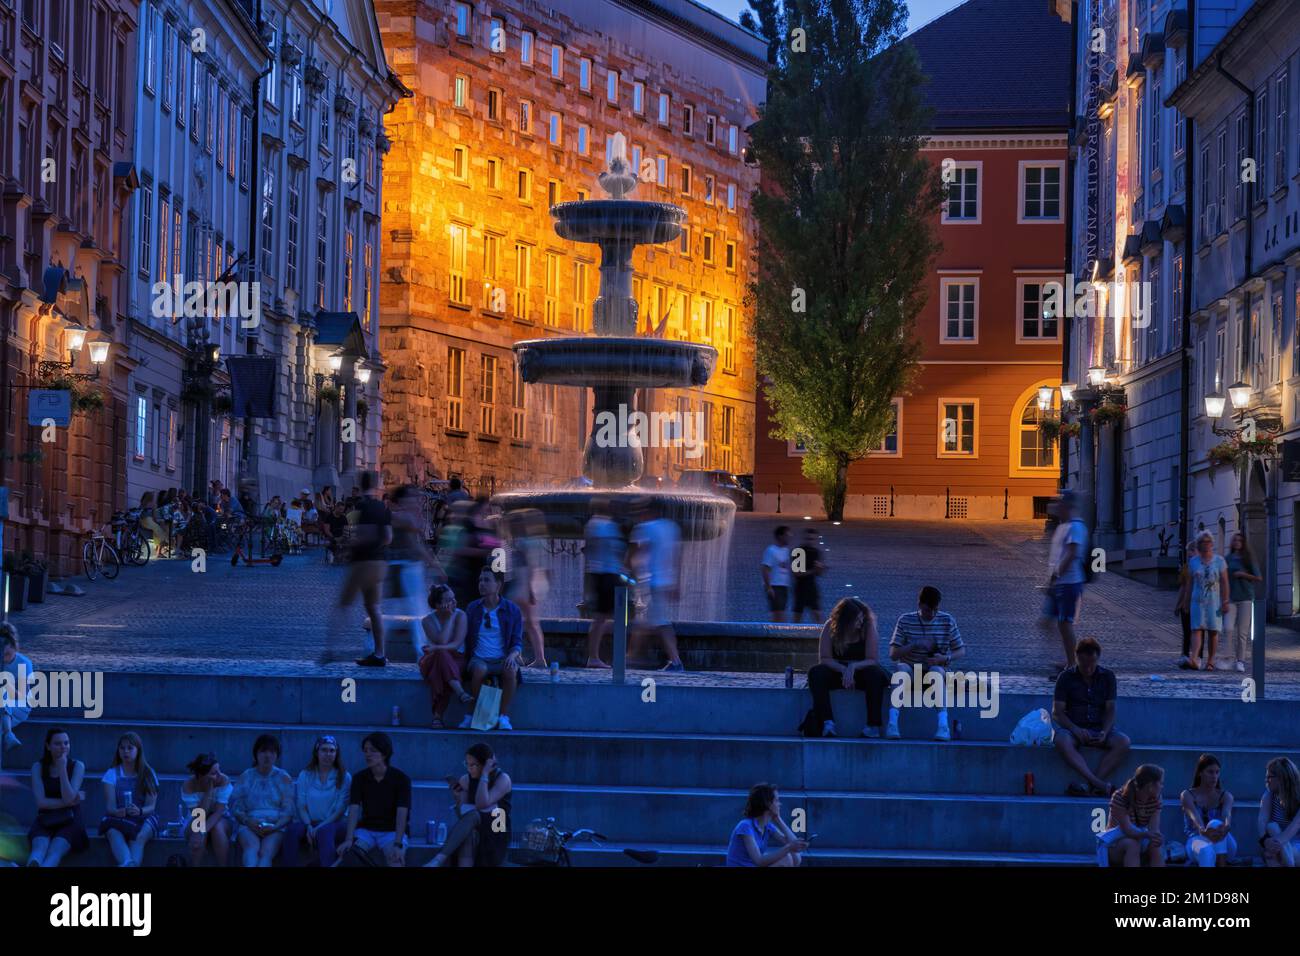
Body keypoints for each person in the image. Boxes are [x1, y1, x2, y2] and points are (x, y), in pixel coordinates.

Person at [1052, 637, 1131, 797]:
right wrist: (1074, 728)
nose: (1088, 669)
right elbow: (1057, 712)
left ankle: (1089, 785)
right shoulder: (1066, 678)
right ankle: (1099, 784)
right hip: (1074, 728)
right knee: (1061, 739)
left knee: (1123, 741)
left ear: (1098, 659)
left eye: (1092, 664)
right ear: (1077, 659)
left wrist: (1104, 731)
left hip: (1098, 728)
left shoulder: (1107, 676)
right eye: (1084, 665)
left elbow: (1110, 709)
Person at [886, 585, 965, 741]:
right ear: (920, 605)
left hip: (936, 670)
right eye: (929, 610)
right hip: (910, 670)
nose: (932, 614)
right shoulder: (905, 620)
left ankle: (943, 726)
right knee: (901, 670)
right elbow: (893, 654)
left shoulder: (947, 620)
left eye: (935, 609)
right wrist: (915, 644)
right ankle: (892, 724)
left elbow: (961, 650)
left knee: (936, 672)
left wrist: (944, 658)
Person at [330, 470, 393, 666]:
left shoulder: (363, 506)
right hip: (379, 562)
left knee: (343, 605)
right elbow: (388, 538)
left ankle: (331, 650)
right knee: (374, 609)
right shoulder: (382, 507)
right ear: (376, 484)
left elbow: (363, 535)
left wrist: (348, 548)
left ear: (359, 484)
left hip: (362, 563)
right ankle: (380, 653)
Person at [807, 597, 892, 737]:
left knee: (875, 674)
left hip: (863, 670)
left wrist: (853, 667)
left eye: (861, 618)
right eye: (856, 619)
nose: (860, 622)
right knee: (816, 672)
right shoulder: (830, 626)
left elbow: (872, 659)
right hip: (837, 671)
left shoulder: (867, 626)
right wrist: (843, 669)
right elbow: (825, 658)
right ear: (845, 620)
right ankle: (828, 723)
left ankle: (873, 725)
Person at [425, 743, 513, 867]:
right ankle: (438, 860)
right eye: (467, 764)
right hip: (476, 826)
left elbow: (482, 803)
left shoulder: (503, 779)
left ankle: (439, 859)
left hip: (497, 827)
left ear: (485, 765)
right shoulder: (465, 780)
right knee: (468, 832)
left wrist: (484, 775)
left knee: (475, 814)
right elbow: (462, 815)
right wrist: (457, 799)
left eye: (473, 765)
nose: (469, 768)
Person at [458, 568, 523, 731]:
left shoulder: (512, 610)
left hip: (501, 658)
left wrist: (512, 656)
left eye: (487, 580)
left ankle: (502, 716)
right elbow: (462, 635)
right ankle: (473, 713)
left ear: (498, 585)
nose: (482, 584)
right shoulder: (473, 608)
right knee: (479, 669)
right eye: (480, 580)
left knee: (511, 670)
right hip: (479, 658)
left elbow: (517, 641)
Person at [337, 732, 411, 867]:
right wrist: (348, 839)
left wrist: (398, 843)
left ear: (384, 753)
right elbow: (354, 809)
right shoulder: (359, 778)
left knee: (395, 861)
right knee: (348, 858)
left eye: (373, 750)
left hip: (392, 832)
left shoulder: (401, 779)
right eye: (365, 751)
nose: (368, 754)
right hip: (366, 830)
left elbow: (402, 812)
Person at [627, 497, 683, 671]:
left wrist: (627, 568)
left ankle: (676, 661)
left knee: (660, 623)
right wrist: (677, 583)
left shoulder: (645, 528)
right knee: (645, 620)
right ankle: (632, 656)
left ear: (648, 512)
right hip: (666, 581)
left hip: (651, 582)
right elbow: (677, 557)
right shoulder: (672, 528)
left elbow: (639, 551)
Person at [282, 735, 352, 867]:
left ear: (337, 753)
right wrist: (309, 825)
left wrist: (319, 828)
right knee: (291, 830)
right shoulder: (305, 774)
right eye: (324, 750)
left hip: (335, 824)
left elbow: (340, 809)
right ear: (317, 752)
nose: (328, 754)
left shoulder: (344, 776)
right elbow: (301, 804)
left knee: (324, 831)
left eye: (332, 751)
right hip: (309, 822)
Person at [387, 485, 439, 660]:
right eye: (412, 496)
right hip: (404, 566)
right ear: (402, 500)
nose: (416, 499)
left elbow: (418, 543)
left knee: (404, 609)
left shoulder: (401, 515)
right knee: (417, 610)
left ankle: (375, 646)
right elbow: (417, 529)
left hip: (406, 565)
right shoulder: (399, 515)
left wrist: (433, 563)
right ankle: (421, 651)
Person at [229, 734, 295, 867]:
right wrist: (249, 821)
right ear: (256, 754)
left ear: (277, 755)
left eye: (272, 752)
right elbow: (237, 807)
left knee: (265, 853)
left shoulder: (283, 777)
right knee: (251, 849)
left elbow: (288, 811)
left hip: (276, 825)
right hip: (249, 823)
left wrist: (275, 826)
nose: (267, 755)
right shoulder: (246, 776)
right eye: (263, 751)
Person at [26, 727, 88, 867]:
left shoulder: (78, 766)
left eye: (66, 743)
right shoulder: (37, 767)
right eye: (58, 743)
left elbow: (67, 798)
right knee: (39, 849)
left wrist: (62, 769)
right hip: (46, 817)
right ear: (48, 746)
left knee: (55, 851)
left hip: (70, 818)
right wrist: (72, 801)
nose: (63, 747)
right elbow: (42, 803)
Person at [99, 732, 160, 867]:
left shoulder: (148, 773)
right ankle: (128, 863)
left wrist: (139, 811)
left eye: (130, 748)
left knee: (138, 837)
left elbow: (151, 807)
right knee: (112, 832)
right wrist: (117, 812)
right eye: (122, 748)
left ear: (138, 750)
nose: (125, 751)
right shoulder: (111, 774)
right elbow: (110, 807)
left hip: (144, 816)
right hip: (120, 818)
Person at [1046, 490, 1089, 678]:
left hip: (1070, 581)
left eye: (1061, 505)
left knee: (1065, 623)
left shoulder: (1076, 527)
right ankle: (1070, 660)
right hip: (1064, 581)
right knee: (1059, 623)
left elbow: (1071, 554)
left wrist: (1056, 575)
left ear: (1068, 507)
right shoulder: (1067, 526)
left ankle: (1073, 665)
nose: (1057, 508)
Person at [419, 584, 473, 729]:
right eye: (449, 600)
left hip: (457, 659)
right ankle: (460, 691)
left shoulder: (461, 615)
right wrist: (449, 618)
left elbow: (455, 645)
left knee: (441, 663)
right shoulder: (427, 621)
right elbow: (441, 641)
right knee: (441, 656)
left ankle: (437, 716)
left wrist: (436, 648)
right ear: (438, 604)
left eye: (454, 598)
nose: (454, 603)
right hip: (432, 660)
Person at [582, 498, 627, 668]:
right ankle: (594, 657)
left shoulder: (594, 524)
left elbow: (590, 549)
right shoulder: (602, 525)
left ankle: (598, 655)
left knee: (607, 617)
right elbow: (600, 547)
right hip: (606, 575)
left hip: (604, 574)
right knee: (602, 618)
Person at [1176, 530, 1229, 671]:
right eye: (1202, 542)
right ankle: (1194, 658)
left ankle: (1210, 661)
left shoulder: (1219, 561)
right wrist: (1185, 602)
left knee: (1213, 631)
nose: (1205, 545)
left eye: (1208, 542)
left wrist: (1225, 601)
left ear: (1212, 544)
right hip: (1197, 601)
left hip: (1214, 602)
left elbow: (1224, 582)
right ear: (1198, 545)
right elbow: (1189, 584)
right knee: (1196, 629)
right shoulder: (1193, 562)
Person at [505, 509, 550, 668]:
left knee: (520, 621)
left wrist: (531, 590)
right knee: (529, 622)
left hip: (524, 584)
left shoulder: (524, 541)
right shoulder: (524, 540)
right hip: (523, 583)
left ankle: (531, 657)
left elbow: (531, 565)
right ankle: (535, 657)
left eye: (513, 523)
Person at [1097, 764, 1165, 867]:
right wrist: (1148, 835)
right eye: (1160, 783)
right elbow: (1127, 830)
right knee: (1132, 844)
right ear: (1150, 786)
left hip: (1139, 840)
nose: (1162, 786)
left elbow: (1153, 829)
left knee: (1155, 846)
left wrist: (1157, 837)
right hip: (1115, 844)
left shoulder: (1156, 799)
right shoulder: (1120, 796)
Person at [725, 783, 807, 867]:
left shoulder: (767, 826)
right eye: (777, 800)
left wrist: (778, 820)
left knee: (795, 856)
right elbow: (759, 861)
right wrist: (789, 847)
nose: (780, 804)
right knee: (787, 859)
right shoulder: (745, 826)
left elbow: (793, 846)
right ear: (768, 804)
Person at [1180, 754, 1237, 867]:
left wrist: (1227, 825)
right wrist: (1202, 830)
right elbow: (1193, 814)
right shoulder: (1187, 795)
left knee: (1215, 823)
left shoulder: (1226, 796)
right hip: (1197, 840)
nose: (1214, 776)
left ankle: (1221, 862)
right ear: (1200, 773)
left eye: (1217, 772)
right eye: (1210, 772)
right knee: (1206, 851)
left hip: (1225, 845)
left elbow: (1226, 814)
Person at [180, 752, 234, 867]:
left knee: (216, 828)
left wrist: (201, 832)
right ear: (201, 776)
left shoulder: (224, 780)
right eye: (214, 773)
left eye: (219, 770)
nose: (219, 775)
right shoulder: (189, 785)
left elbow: (219, 812)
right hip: (197, 818)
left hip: (222, 819)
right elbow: (199, 815)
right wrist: (209, 792)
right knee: (197, 828)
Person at [1224, 532, 1261, 673]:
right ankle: (1228, 658)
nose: (1237, 542)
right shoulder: (1228, 559)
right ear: (1232, 543)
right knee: (1227, 628)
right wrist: (1224, 598)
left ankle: (1240, 661)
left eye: (1240, 540)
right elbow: (1224, 579)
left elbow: (1258, 577)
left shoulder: (1248, 559)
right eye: (1235, 540)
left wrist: (1243, 574)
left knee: (1242, 632)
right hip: (1231, 598)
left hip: (1246, 598)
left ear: (1243, 542)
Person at [1259, 756, 1300, 867]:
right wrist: (1265, 841)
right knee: (1272, 827)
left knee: (1271, 855)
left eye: (1269, 777)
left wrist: (1273, 845)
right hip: (1277, 842)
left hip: (1296, 843)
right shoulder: (1269, 795)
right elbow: (1262, 821)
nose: (1266, 780)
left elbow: (1294, 826)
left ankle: (1288, 861)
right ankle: (1288, 862)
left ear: (1282, 778)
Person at [1, 624, 32, 751]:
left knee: (3, 693)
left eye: (7, 654)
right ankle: (9, 735)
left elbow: (21, 695)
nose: (4, 658)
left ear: (14, 648)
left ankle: (8, 732)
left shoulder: (23, 663)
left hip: (19, 706)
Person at [791, 527, 826, 623]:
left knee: (818, 616)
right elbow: (796, 573)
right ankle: (793, 637)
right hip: (800, 588)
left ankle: (822, 636)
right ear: (805, 538)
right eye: (809, 539)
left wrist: (820, 569)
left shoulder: (816, 552)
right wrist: (814, 570)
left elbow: (819, 573)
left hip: (812, 587)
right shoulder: (798, 552)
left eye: (813, 539)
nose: (811, 542)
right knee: (797, 618)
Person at [761, 526, 793, 623]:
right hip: (775, 586)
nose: (790, 537)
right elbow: (765, 568)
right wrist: (769, 587)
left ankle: (778, 633)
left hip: (784, 586)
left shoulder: (787, 551)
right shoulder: (771, 550)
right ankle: (777, 634)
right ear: (780, 536)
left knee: (781, 611)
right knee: (778, 613)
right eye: (787, 535)